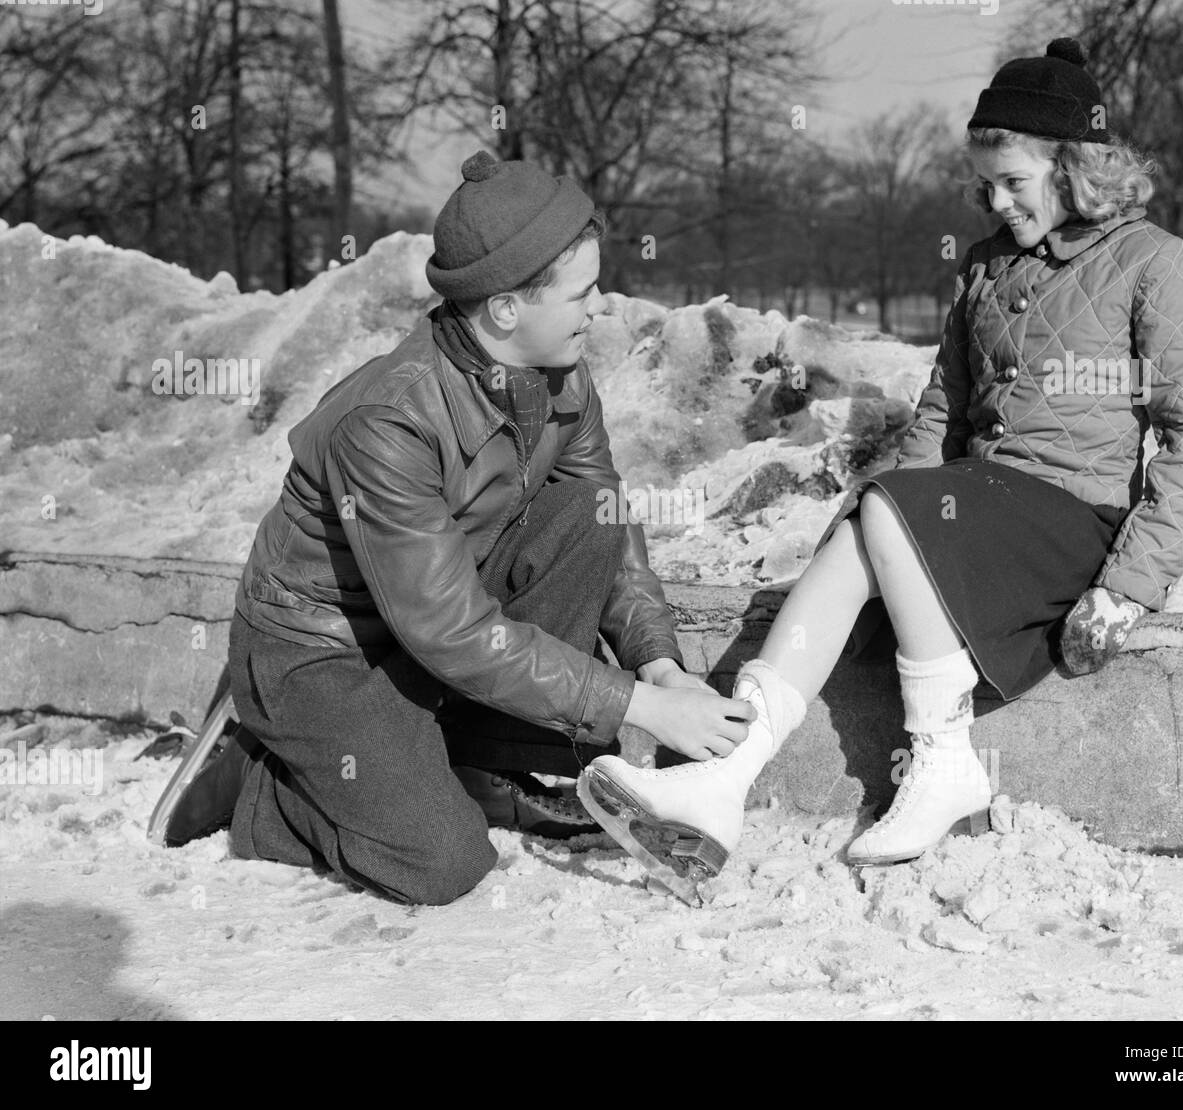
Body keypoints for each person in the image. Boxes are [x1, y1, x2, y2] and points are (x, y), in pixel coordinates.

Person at [580, 38, 1183, 888]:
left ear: (1075, 167)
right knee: (869, 525)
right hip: (977, 511)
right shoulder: (982, 268)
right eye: (986, 184)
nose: (996, 202)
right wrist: (867, 525)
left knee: (891, 511)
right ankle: (724, 779)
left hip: (1075, 527)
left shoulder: (1154, 263)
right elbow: (941, 414)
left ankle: (944, 759)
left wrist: (1132, 585)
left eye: (1016, 181)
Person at [160, 150, 754, 905]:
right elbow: (454, 633)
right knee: (443, 864)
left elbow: (603, 520)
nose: (601, 307)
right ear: (506, 308)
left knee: (587, 515)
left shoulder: (563, 373)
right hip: (328, 653)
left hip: (433, 631)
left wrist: (661, 663)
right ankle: (260, 776)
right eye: (583, 293)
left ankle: (457, 755)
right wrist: (643, 706)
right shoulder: (390, 422)